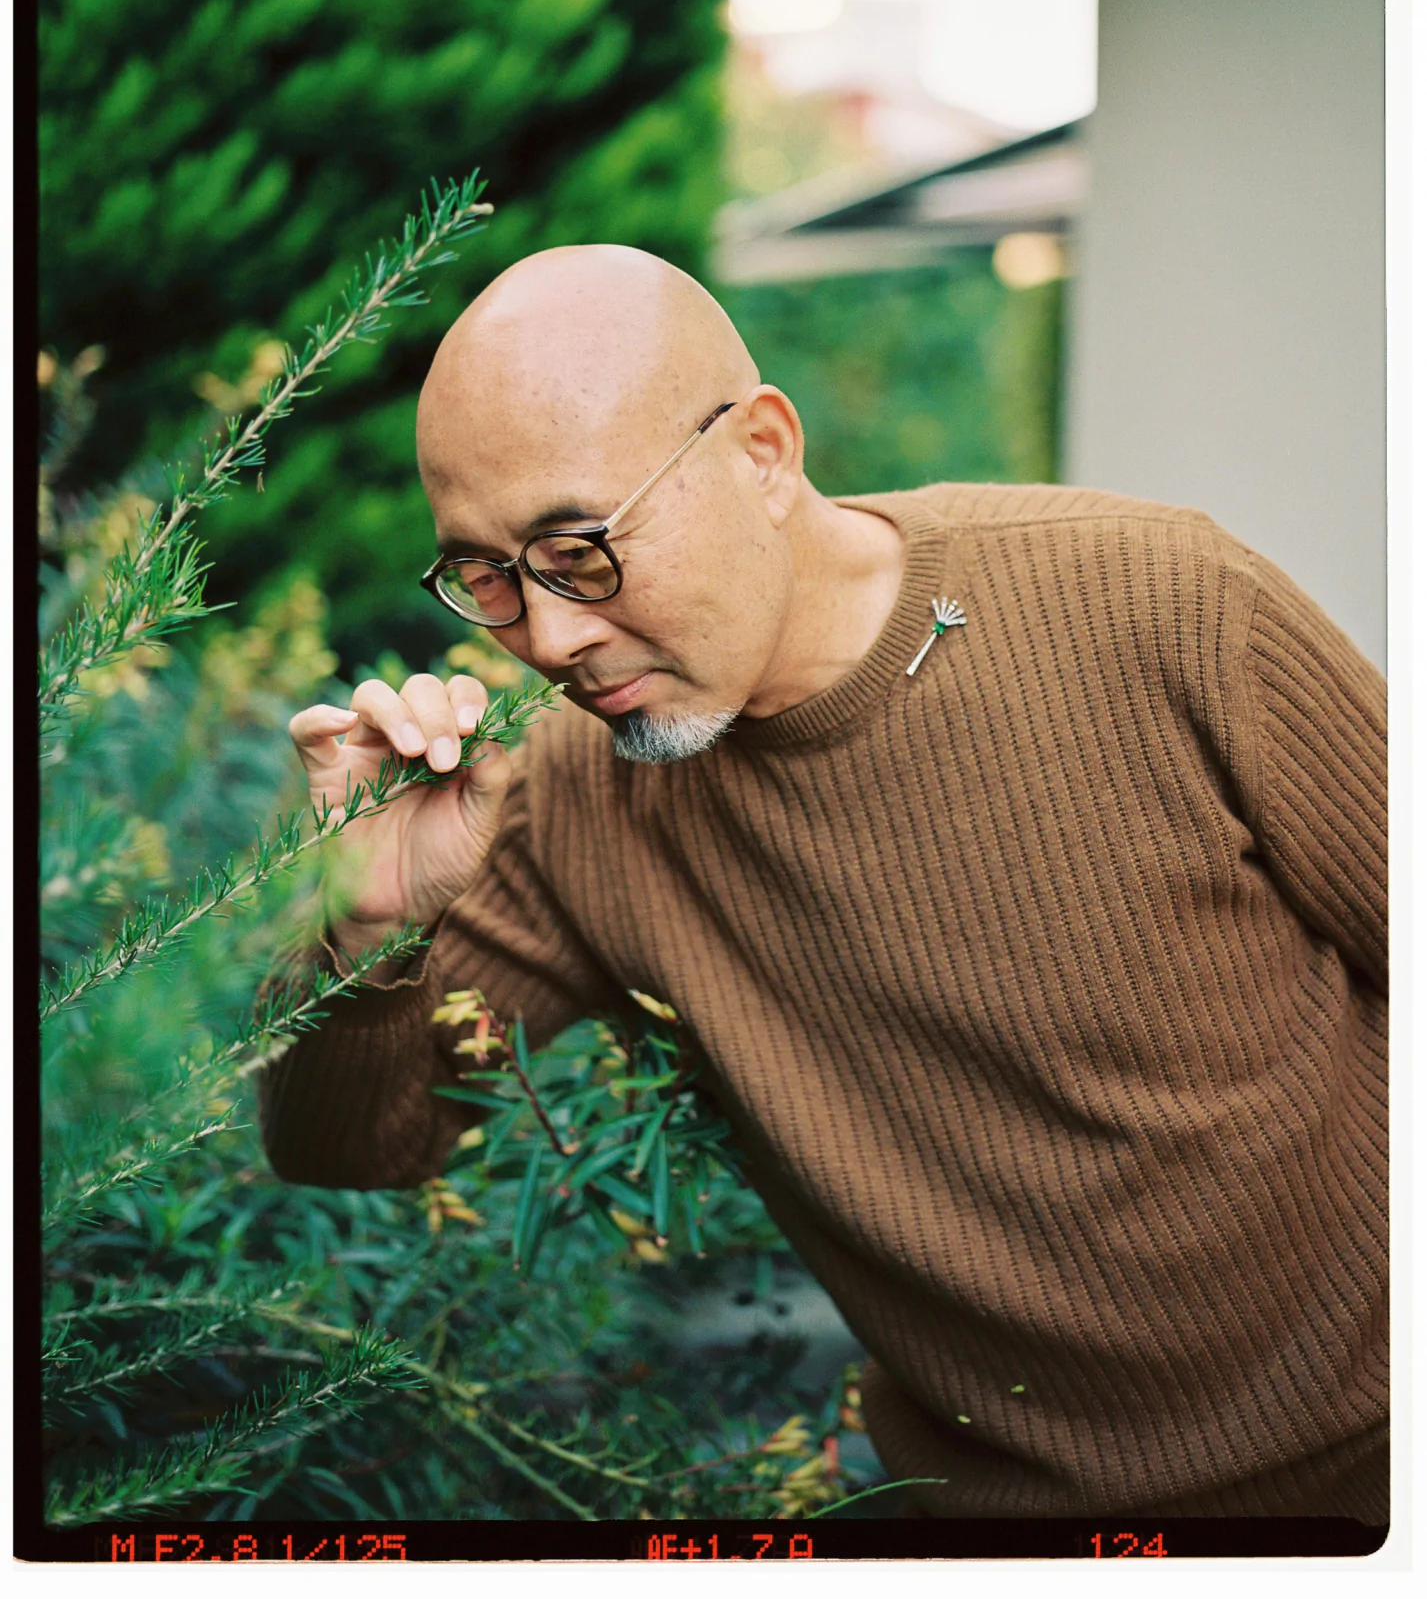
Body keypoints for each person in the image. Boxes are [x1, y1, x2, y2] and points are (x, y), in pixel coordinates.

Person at [258, 244, 1388, 1524]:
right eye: (487, 576)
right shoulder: (569, 787)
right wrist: (360, 924)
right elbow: (343, 1149)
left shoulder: (1170, 608)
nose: (550, 636)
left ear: (761, 453)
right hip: (993, 1531)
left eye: (578, 548)